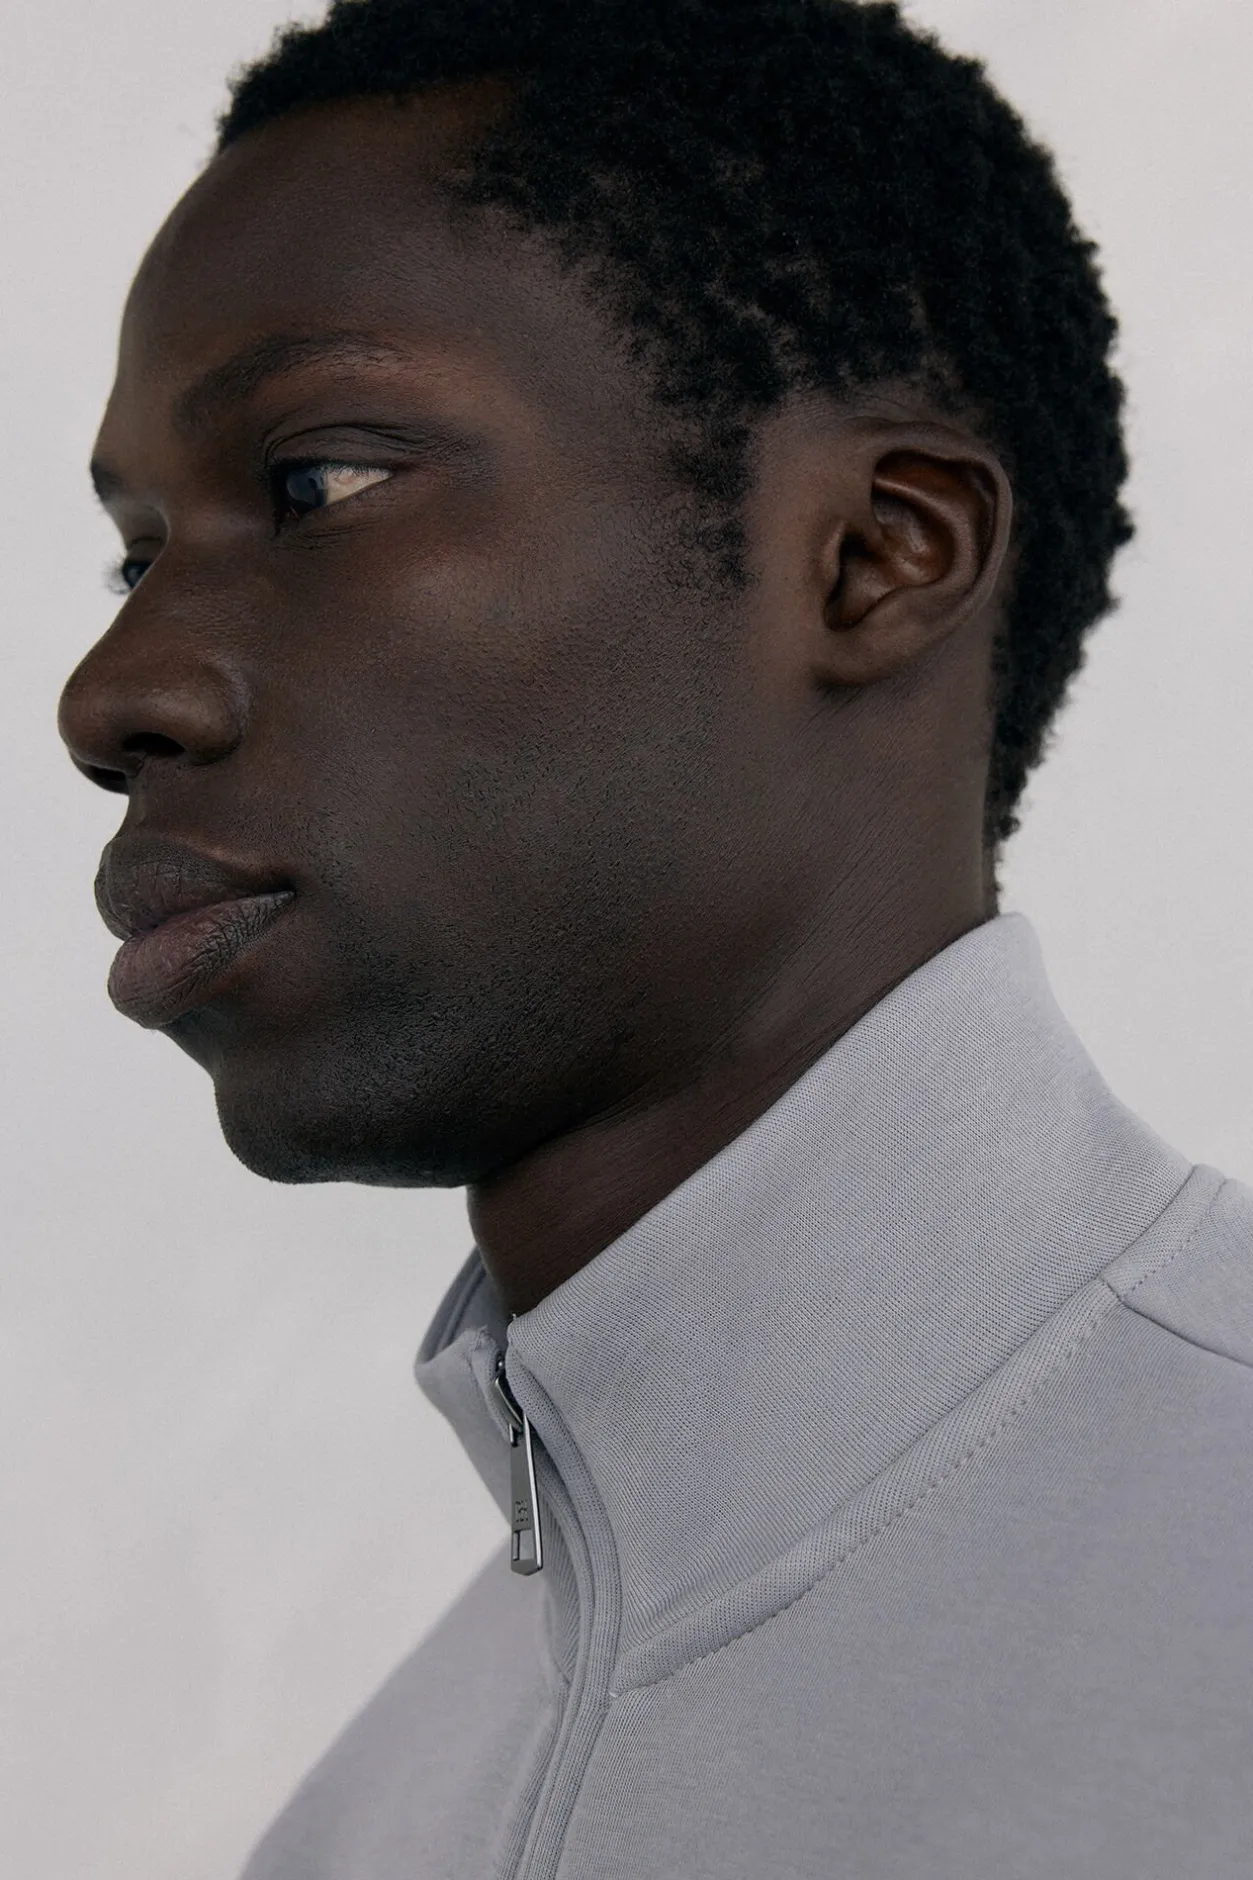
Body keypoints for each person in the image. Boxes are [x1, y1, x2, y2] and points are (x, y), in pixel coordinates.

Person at [57, 0, 1253, 1874]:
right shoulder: (365, 1828)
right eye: (137, 555)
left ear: (876, 554)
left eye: (320, 484)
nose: (112, 691)